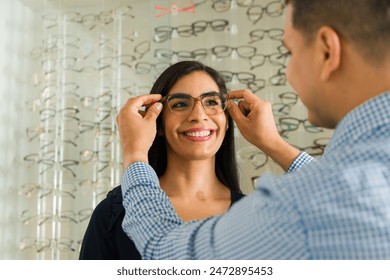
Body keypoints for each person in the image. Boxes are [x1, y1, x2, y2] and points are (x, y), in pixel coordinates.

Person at [117, 0, 390, 259]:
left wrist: (134, 154)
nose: (198, 115)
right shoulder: (365, 179)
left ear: (326, 50)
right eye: (180, 104)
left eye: (290, 53)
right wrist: (273, 143)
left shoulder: (302, 206)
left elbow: (166, 254)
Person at [79, 61, 245, 259]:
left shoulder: (260, 214)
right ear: (156, 123)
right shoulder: (114, 213)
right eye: (180, 104)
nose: (199, 116)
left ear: (227, 120)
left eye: (211, 102)